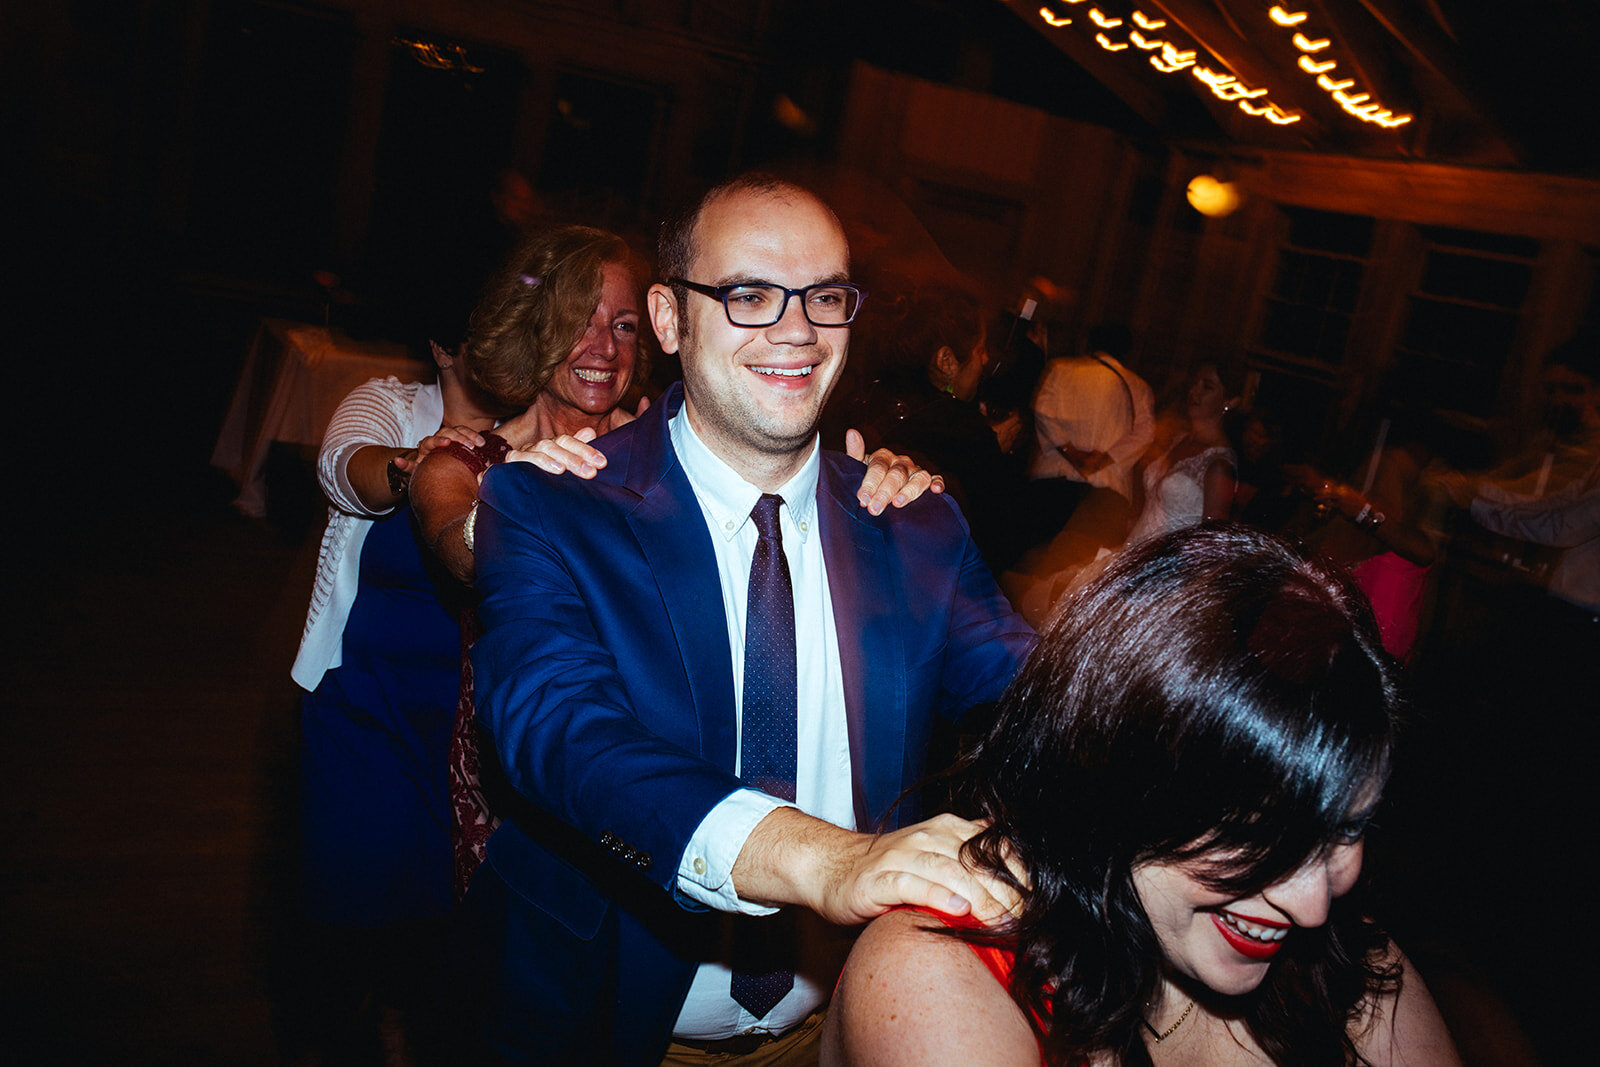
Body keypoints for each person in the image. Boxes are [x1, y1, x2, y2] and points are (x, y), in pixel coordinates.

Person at [460, 173, 1037, 1063]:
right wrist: (828, 861)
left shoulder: (916, 522)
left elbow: (1036, 697)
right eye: (750, 294)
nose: (798, 329)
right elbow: (559, 730)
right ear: (668, 317)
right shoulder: (553, 504)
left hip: (843, 1027)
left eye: (826, 296)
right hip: (607, 1021)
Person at [823, 524, 1461, 1067]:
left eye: (1343, 832)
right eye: (1257, 835)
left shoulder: (1348, 963)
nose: (1312, 905)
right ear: (1114, 778)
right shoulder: (937, 972)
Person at [289, 331, 519, 1061]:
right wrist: (411, 466)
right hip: (366, 709)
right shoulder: (391, 403)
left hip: (471, 735)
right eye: (490, 327)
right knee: (343, 923)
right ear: (445, 345)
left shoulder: (540, 431)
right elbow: (339, 467)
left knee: (444, 943)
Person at [833, 279, 1029, 572]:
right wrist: (989, 451)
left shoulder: (864, 393)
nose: (986, 359)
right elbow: (997, 546)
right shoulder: (965, 432)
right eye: (979, 350)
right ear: (947, 361)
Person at [1027, 323, 1155, 547]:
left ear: (1090, 343)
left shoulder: (1060, 368)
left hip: (1053, 481)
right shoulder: (1138, 386)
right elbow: (1146, 431)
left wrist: (1069, 449)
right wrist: (1104, 458)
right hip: (1106, 492)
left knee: (1036, 561)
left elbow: (1042, 409)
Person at [1124, 361, 1238, 544]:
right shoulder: (1177, 439)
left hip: (1165, 563)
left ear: (1229, 401)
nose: (1194, 391)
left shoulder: (1219, 464)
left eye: (1207, 386)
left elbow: (1209, 543)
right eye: (1194, 383)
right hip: (1134, 548)